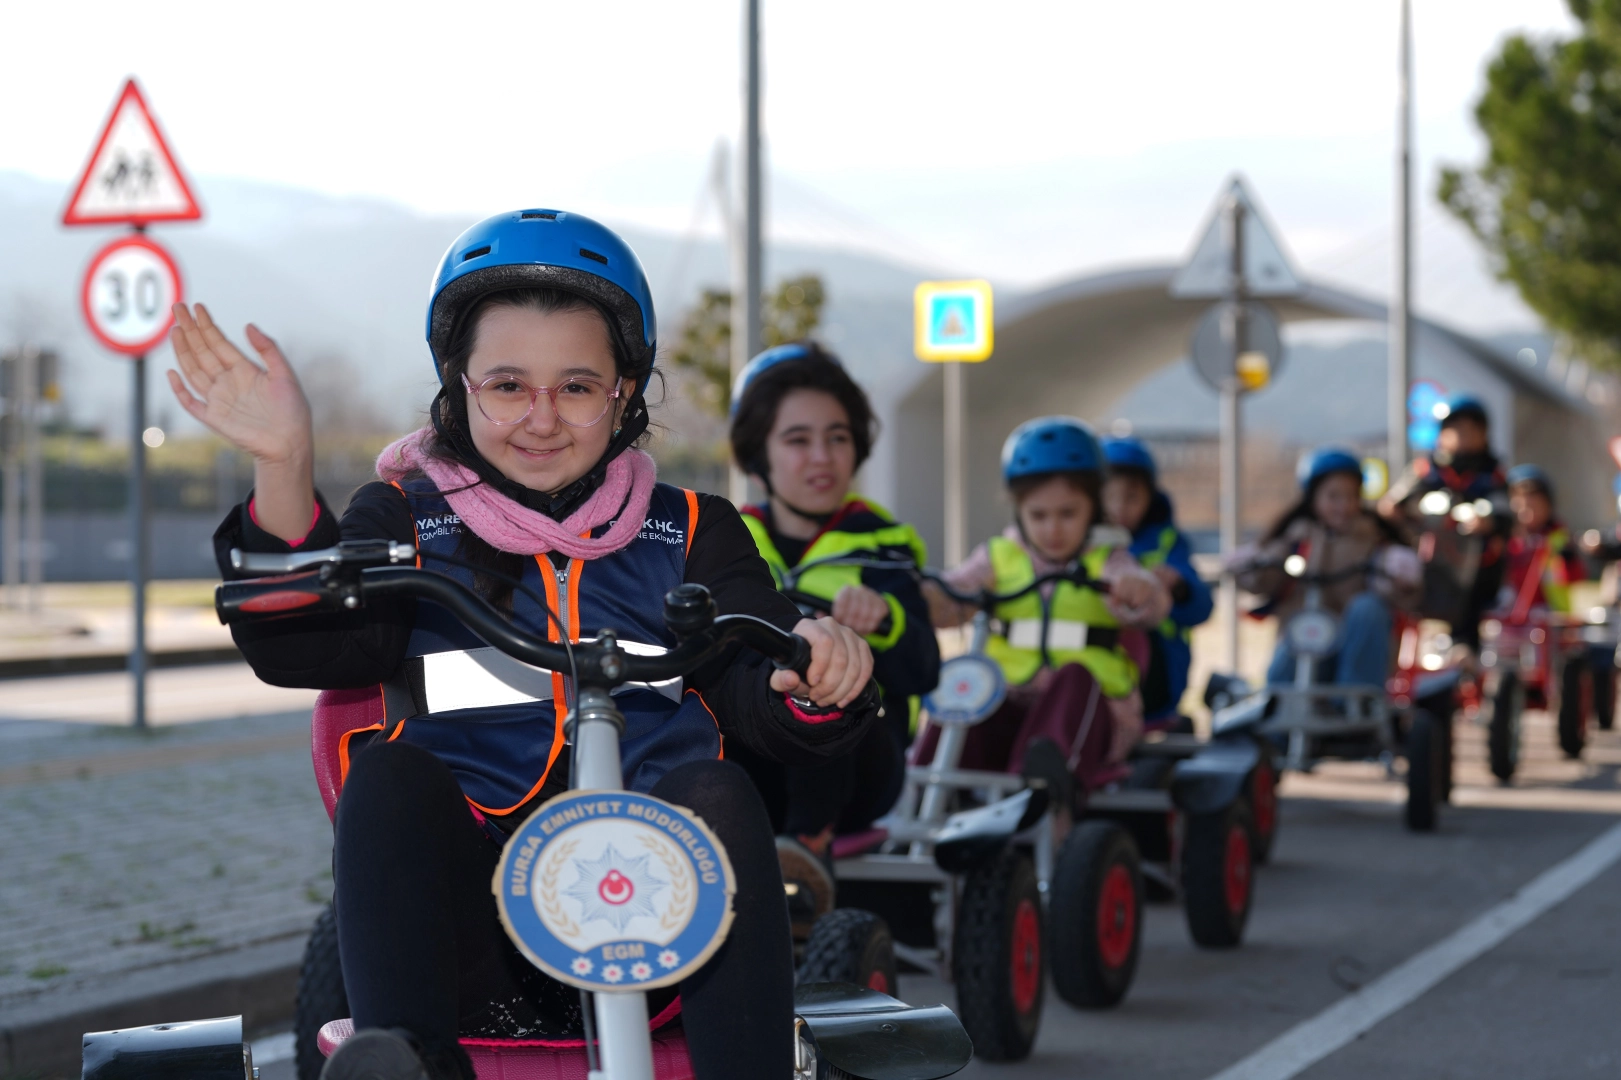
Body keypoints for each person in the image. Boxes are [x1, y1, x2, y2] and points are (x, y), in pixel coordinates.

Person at [167, 210, 879, 1080]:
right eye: (508, 385)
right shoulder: (403, 521)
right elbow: (307, 646)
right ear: (459, 384)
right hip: (469, 944)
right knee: (387, 773)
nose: (541, 419)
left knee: (718, 785)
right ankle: (406, 1064)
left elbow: (762, 675)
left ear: (623, 392)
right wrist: (283, 463)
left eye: (576, 387)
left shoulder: (692, 531)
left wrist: (817, 673)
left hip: (661, 923)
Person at [726, 342, 939, 930]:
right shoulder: (722, 543)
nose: (821, 457)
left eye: (838, 437)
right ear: (760, 453)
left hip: (862, 764)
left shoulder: (885, 546)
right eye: (798, 439)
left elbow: (926, 670)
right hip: (751, 759)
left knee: (821, 683)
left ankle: (804, 852)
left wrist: (887, 621)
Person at [922, 417, 1171, 787]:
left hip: (1091, 716)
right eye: (1038, 516)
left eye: (1068, 514)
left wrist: (1140, 591)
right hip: (1009, 703)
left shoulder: (1108, 559)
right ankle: (926, 789)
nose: (1053, 530)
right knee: (967, 690)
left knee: (1074, 678)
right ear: (1018, 511)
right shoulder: (999, 557)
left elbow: (1149, 602)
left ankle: (1045, 798)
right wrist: (924, 594)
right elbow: (953, 593)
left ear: (1093, 509)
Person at [1238, 448, 1422, 688]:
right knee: (1283, 668)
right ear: (1312, 498)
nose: (1343, 505)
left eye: (1351, 496)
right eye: (1333, 496)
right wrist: (1250, 564)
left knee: (1367, 608)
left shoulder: (1375, 540)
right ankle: (1277, 707)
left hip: (1354, 650)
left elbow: (1406, 593)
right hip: (1304, 643)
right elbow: (1260, 579)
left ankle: (1356, 703)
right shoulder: (1295, 537)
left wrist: (1401, 580)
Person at [1379, 394, 1509, 649]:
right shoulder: (1425, 470)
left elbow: (1504, 515)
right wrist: (1410, 516)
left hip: (1477, 573)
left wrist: (1487, 521)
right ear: (1441, 435)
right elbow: (1391, 506)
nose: (1463, 436)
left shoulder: (1492, 473)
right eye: (1456, 430)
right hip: (1427, 566)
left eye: (1471, 430)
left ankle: (1467, 666)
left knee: (1470, 622)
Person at [1101, 436, 1213, 727]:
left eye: (1131, 497)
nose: (1119, 508)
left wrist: (1178, 586)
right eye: (1108, 497)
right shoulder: (1078, 545)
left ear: (1150, 498)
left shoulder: (1168, 543)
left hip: (1157, 669)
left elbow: (1201, 608)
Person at [1501, 464, 1584, 615]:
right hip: (1512, 619)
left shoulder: (1559, 537)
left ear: (1548, 505)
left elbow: (1576, 578)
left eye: (1534, 505)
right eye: (1521, 505)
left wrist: (1568, 557)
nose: (1527, 511)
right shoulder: (1505, 539)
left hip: (1550, 618)